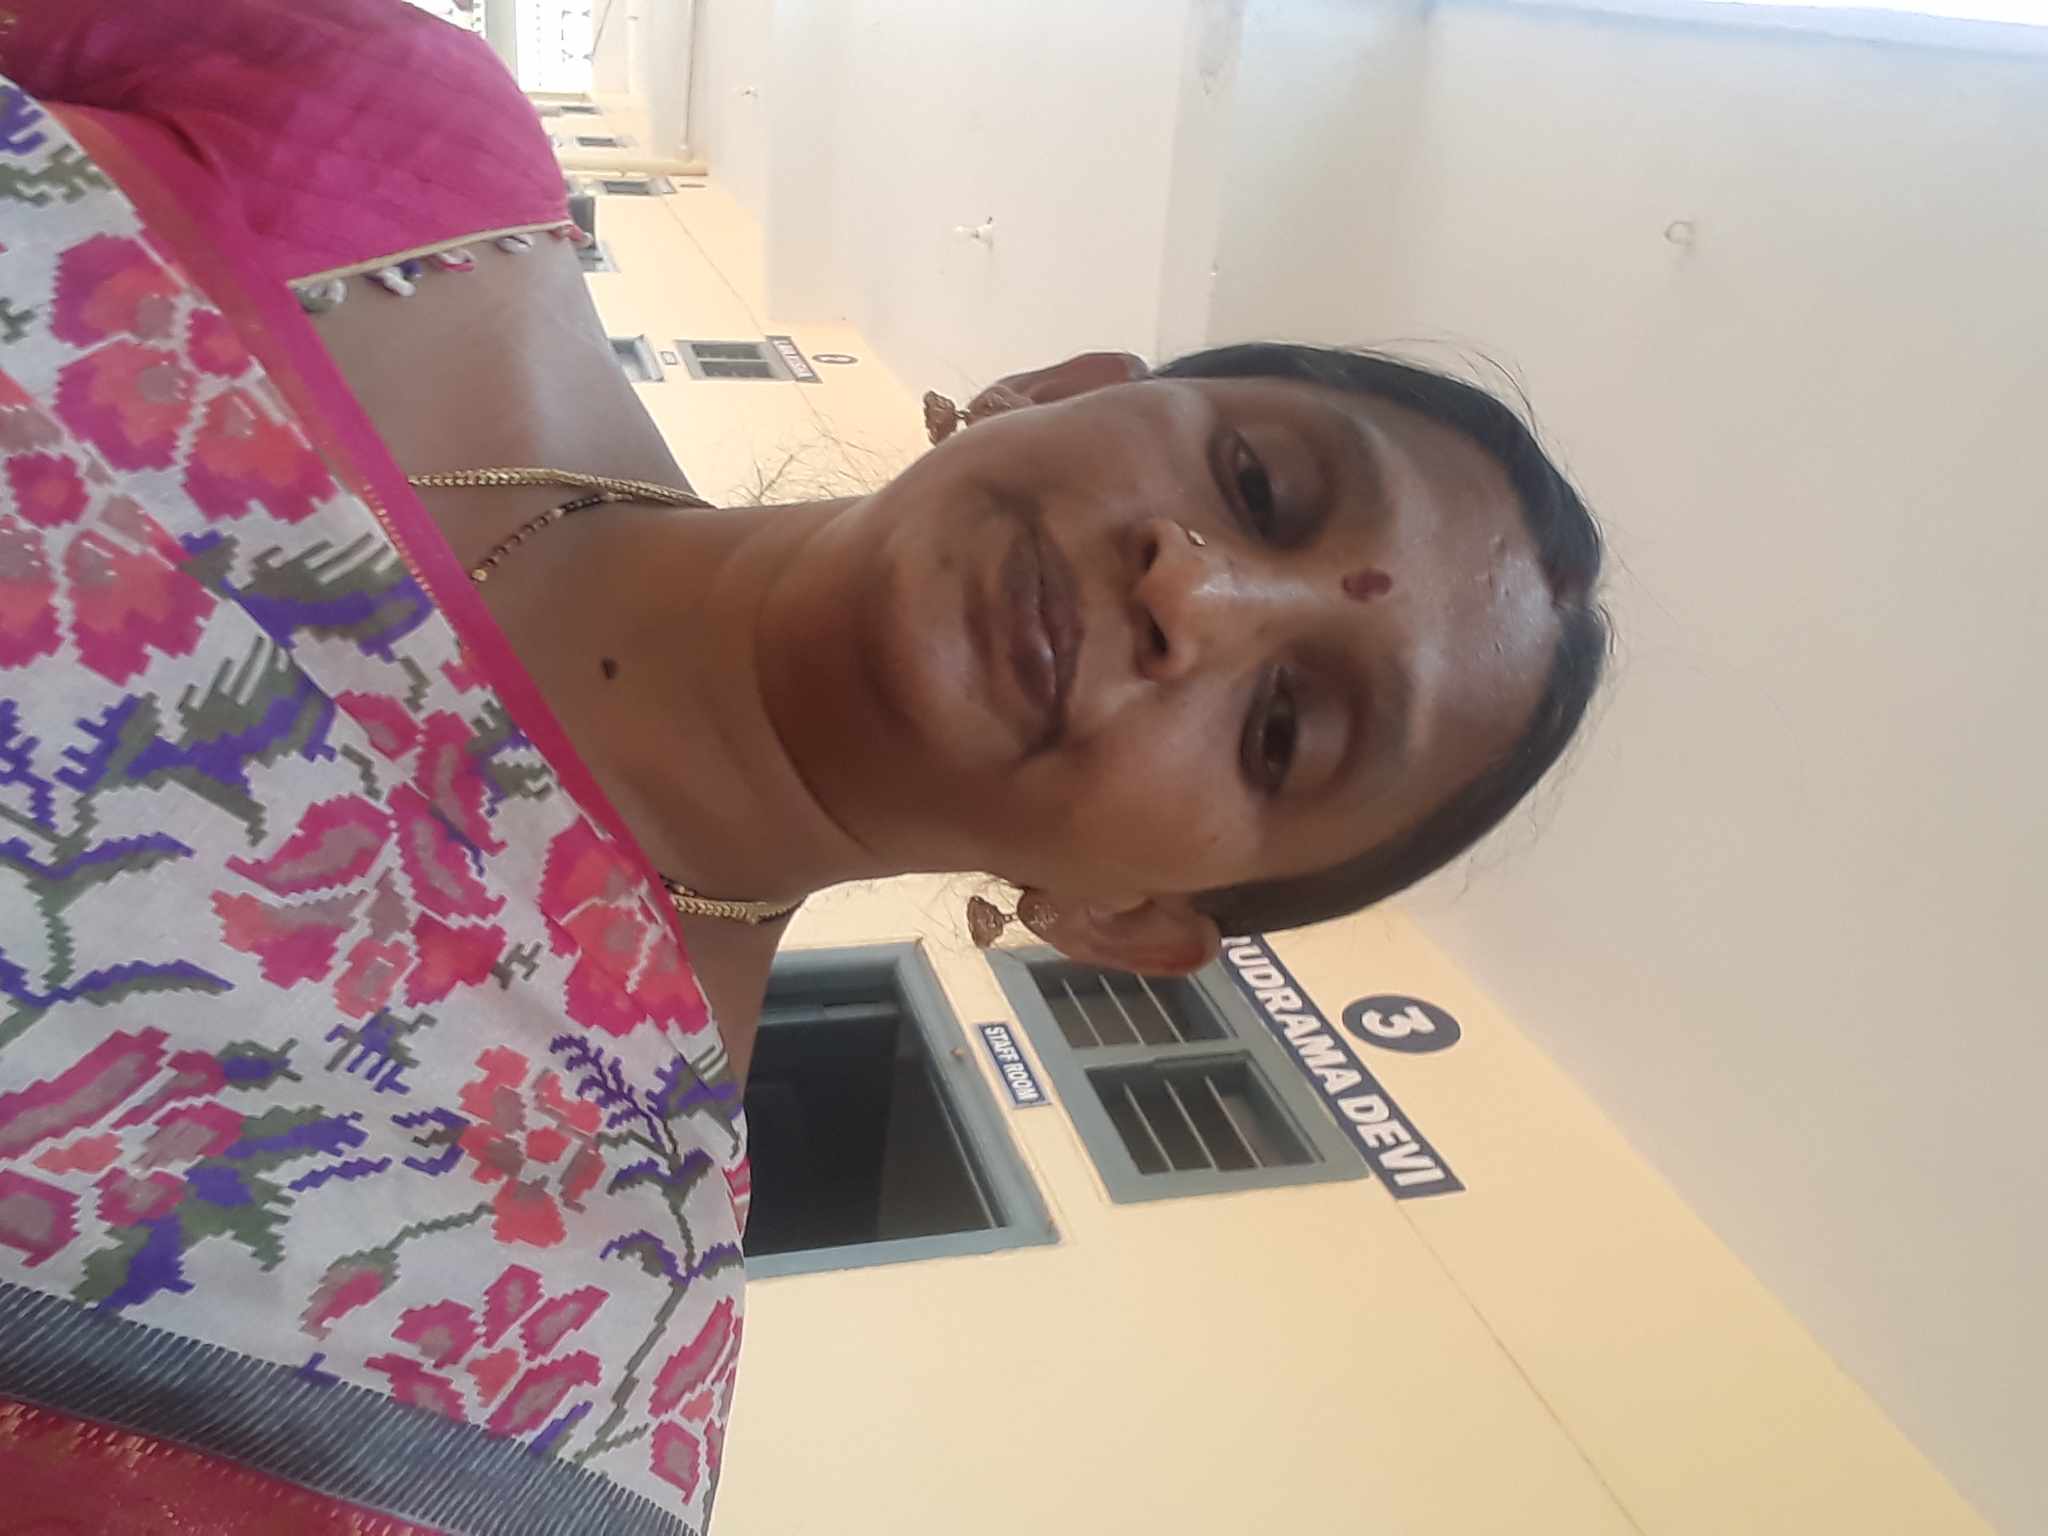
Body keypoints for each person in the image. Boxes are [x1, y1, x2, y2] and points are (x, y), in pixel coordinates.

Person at [0, 0, 1606, 1530]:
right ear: (1058, 390)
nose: (1194, 593)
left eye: (1283, 731)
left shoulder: (558, 1335)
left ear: (1125, 918)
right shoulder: (396, 139)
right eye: (1255, 482)